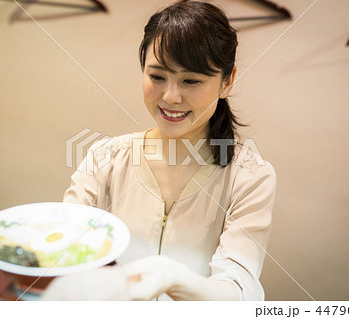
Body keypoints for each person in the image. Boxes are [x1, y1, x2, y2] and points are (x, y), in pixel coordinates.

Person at [61, 0, 276, 301]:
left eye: (191, 80)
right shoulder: (104, 159)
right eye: (157, 76)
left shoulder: (250, 177)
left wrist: (174, 279)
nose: (171, 96)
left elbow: (238, 293)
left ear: (227, 82)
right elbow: (65, 251)